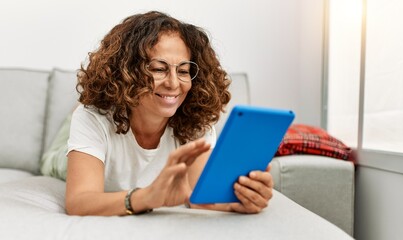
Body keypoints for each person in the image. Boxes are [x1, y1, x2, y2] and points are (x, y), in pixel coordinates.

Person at [65, 11, 274, 216]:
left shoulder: (196, 122)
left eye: (183, 71)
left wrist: (240, 201)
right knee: (57, 154)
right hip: (72, 143)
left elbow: (197, 197)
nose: (173, 84)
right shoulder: (92, 117)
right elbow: (78, 201)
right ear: (126, 73)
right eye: (158, 69)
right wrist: (146, 197)